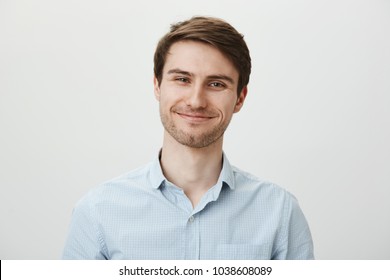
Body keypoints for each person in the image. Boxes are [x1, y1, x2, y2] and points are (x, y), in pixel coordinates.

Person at [62, 16, 314, 260]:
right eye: (182, 79)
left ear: (240, 98)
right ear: (157, 86)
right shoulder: (97, 212)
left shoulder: (280, 212)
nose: (195, 101)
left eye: (216, 84)